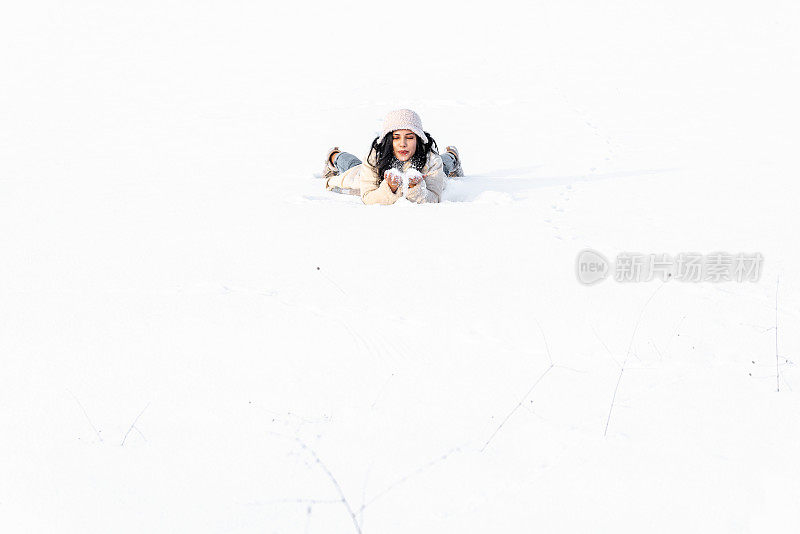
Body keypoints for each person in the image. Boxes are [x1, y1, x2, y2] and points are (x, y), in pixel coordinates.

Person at [322, 109, 464, 205]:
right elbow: (368, 197)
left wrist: (416, 188)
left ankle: (452, 155)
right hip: (365, 174)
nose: (403, 144)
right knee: (353, 167)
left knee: (444, 168)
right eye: (396, 138)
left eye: (409, 137)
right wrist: (389, 188)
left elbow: (434, 197)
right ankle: (334, 156)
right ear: (389, 140)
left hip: (432, 168)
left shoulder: (432, 159)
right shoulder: (374, 158)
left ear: (418, 139)